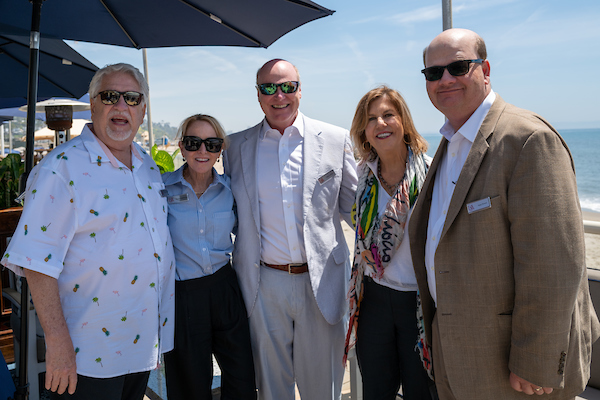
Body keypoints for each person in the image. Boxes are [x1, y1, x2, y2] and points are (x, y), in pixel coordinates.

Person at [408, 28, 600, 400]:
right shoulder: (450, 143)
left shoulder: (527, 139)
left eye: (458, 67)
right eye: (433, 73)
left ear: (486, 69)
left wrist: (536, 360)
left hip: (513, 370)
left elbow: (554, 264)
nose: (444, 79)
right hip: (456, 355)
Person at [1, 63, 175, 400]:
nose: (121, 105)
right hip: (87, 354)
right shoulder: (61, 168)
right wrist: (58, 343)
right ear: (93, 105)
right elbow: (36, 262)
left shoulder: (147, 164)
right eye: (110, 96)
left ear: (142, 110)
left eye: (132, 98)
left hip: (141, 345)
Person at [223, 59, 358, 400]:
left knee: (324, 389)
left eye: (287, 87)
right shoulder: (234, 147)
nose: (278, 95)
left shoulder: (336, 139)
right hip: (263, 285)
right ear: (257, 95)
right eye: (269, 88)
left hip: (323, 283)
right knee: (271, 389)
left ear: (300, 90)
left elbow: (357, 212)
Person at [345, 86, 434, 400]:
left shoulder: (434, 172)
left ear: (403, 122)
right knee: (376, 392)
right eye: (371, 119)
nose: (380, 123)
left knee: (421, 392)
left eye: (388, 115)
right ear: (364, 131)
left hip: (420, 304)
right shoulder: (361, 176)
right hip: (375, 302)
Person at [162, 114, 256, 400]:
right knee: (188, 382)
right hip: (183, 294)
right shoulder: (161, 188)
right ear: (181, 147)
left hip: (224, 286)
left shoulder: (232, 189)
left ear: (220, 150)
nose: (202, 151)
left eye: (212, 144)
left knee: (242, 374)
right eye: (193, 143)